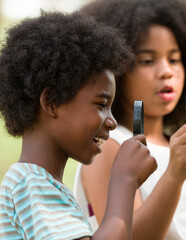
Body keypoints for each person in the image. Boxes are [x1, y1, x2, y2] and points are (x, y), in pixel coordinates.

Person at [74, 0, 186, 239]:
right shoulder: (108, 147)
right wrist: (175, 174)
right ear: (115, 72)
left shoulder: (179, 146)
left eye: (174, 59)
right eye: (147, 60)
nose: (166, 71)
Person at [0, 12, 157, 240]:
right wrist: (124, 181)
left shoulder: (40, 184)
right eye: (101, 104)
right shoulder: (30, 183)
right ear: (51, 102)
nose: (112, 122)